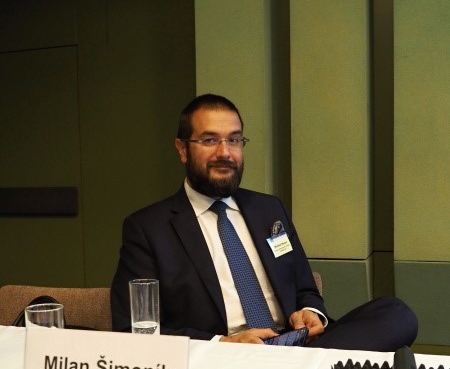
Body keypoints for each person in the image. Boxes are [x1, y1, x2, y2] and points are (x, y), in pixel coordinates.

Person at [111, 94, 418, 351]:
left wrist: (310, 312)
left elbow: (305, 289)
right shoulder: (149, 229)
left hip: (294, 345)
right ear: (182, 149)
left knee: (396, 314)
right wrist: (224, 343)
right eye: (209, 140)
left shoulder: (269, 209)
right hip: (225, 357)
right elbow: (132, 329)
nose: (225, 153)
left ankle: (297, 366)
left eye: (234, 140)